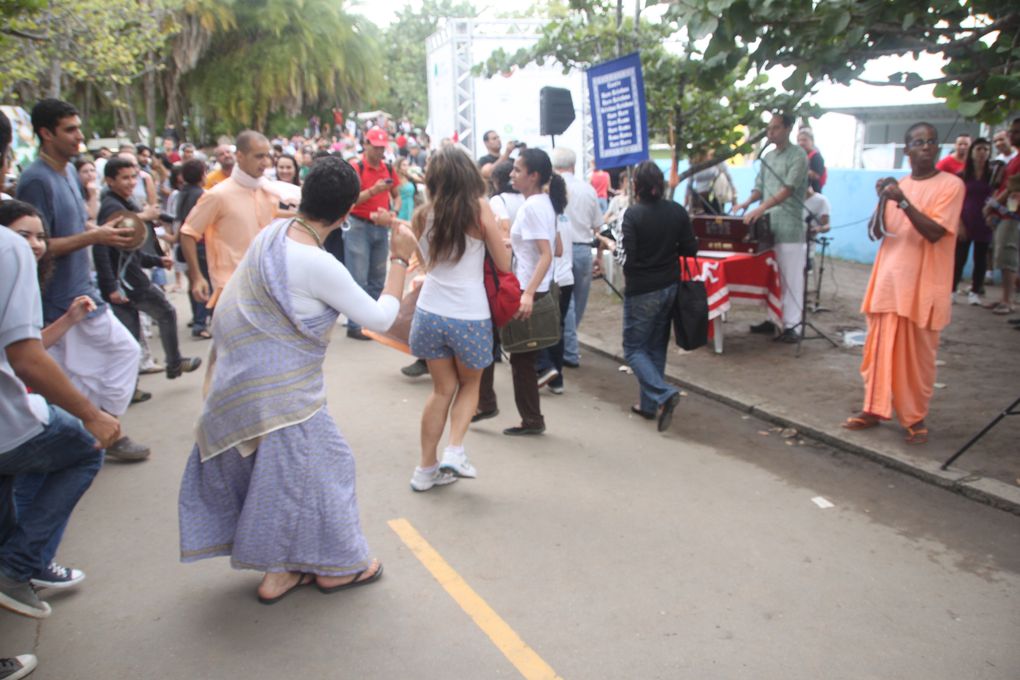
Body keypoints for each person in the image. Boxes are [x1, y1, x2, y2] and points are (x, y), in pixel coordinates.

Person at [178, 157, 418, 603]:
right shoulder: (317, 263)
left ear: (303, 195)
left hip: (237, 387)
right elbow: (380, 317)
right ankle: (336, 568)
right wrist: (401, 257)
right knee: (327, 467)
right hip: (281, 396)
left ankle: (286, 570)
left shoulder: (272, 234)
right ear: (347, 213)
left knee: (291, 478)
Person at [15, 99, 149, 462]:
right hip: (56, 301)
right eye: (70, 130)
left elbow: (74, 228)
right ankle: (97, 434)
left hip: (82, 292)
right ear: (46, 134)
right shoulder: (34, 181)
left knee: (124, 352)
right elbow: (35, 245)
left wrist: (99, 230)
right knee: (69, 375)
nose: (79, 137)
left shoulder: (69, 172)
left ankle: (101, 428)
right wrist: (96, 237)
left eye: (78, 128)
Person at [0, 212, 115, 620]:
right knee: (84, 449)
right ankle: (19, 565)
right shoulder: (6, 250)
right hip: (11, 422)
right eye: (23, 235)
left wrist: (67, 320)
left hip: (14, 425)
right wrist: (91, 414)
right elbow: (25, 358)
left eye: (39, 236)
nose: (32, 244)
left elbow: (22, 345)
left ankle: (24, 564)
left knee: (23, 476)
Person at [386, 147, 512, 490]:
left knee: (441, 390)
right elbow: (503, 265)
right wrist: (504, 242)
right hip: (469, 315)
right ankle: (455, 450)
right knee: (470, 384)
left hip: (430, 312)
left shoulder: (423, 216)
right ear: (468, 175)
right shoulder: (479, 209)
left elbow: (426, 264)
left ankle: (425, 470)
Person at [843, 122, 965, 445]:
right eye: (918, 142)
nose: (926, 146)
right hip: (888, 283)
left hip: (923, 286)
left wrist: (905, 202)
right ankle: (874, 408)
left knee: (918, 359)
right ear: (907, 149)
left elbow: (936, 232)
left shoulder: (951, 185)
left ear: (938, 149)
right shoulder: (899, 185)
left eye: (931, 142)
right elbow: (875, 232)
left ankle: (914, 417)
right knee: (878, 353)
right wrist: (884, 199)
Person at [94, 158, 201, 379]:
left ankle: (130, 387)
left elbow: (128, 252)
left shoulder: (123, 203)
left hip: (127, 278)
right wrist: (111, 285)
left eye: (133, 177)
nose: (131, 182)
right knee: (166, 312)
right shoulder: (112, 208)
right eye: (125, 178)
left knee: (131, 338)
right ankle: (173, 363)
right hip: (126, 281)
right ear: (110, 181)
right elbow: (102, 249)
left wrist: (156, 261)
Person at [617, 161, 698, 432]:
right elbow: (690, 249)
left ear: (636, 186)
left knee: (633, 349)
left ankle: (663, 394)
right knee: (655, 347)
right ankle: (649, 405)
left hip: (642, 289)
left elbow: (627, 258)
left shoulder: (633, 215)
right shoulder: (676, 211)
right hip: (670, 286)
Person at [503, 148, 565, 436]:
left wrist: (527, 294)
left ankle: (531, 419)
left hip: (530, 290)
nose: (512, 174)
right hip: (534, 287)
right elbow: (556, 248)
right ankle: (530, 418)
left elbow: (547, 255)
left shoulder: (533, 206)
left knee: (521, 360)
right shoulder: (544, 203)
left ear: (534, 175)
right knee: (521, 359)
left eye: (517, 170)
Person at [734, 113, 810, 343]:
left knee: (791, 278)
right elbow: (759, 188)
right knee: (771, 275)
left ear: (788, 128)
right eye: (769, 128)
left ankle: (792, 326)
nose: (771, 132)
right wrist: (747, 203)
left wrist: (761, 207)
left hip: (789, 226)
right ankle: (773, 319)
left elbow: (788, 188)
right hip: (767, 227)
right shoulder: (767, 157)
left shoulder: (798, 155)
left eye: (776, 128)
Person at [179, 131, 277, 310]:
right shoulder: (218, 195)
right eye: (259, 156)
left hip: (266, 283)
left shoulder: (269, 190)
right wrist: (197, 277)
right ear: (240, 156)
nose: (265, 162)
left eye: (267, 156)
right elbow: (187, 233)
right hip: (231, 288)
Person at [473, 160, 524, 421]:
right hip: (518, 277)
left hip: (500, 277)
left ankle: (486, 400)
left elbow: (502, 234)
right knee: (520, 345)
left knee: (491, 339)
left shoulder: (495, 202)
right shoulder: (530, 200)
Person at [342, 127, 401, 341]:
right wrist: (373, 191)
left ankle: (374, 322)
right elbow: (350, 199)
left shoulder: (388, 168)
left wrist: (393, 210)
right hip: (358, 224)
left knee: (377, 277)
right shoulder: (356, 167)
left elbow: (397, 195)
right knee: (358, 278)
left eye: (381, 147)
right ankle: (355, 324)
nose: (378, 151)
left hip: (381, 226)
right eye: (375, 147)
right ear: (366, 144)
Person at [549, 147, 600, 377]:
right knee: (577, 300)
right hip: (584, 248)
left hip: (563, 247)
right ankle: (569, 341)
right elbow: (597, 226)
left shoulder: (553, 189)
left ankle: (569, 347)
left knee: (566, 302)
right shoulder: (588, 189)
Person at [983, 118, 1020, 315]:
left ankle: (1009, 300)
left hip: (1013, 215)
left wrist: (993, 205)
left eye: (1016, 132)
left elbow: (1013, 188)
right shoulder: (1014, 159)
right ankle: (1005, 298)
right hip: (1005, 213)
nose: (1011, 135)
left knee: (1008, 256)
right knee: (1003, 256)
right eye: (1012, 131)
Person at [953, 138, 994, 305]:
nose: (982, 152)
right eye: (979, 149)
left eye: (985, 149)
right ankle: (952, 291)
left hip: (985, 222)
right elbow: (955, 202)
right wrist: (959, 224)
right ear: (972, 152)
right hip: (965, 221)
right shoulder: (962, 175)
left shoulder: (993, 175)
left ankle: (975, 292)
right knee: (959, 258)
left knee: (981, 259)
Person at [797, 127, 827, 193]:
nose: (801, 143)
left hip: (813, 193)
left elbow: (816, 175)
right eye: (799, 140)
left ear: (812, 141)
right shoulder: (799, 156)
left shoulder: (816, 156)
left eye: (804, 140)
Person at [73, 158, 99, 222]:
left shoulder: (97, 189)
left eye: (92, 170)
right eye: (85, 172)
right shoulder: (76, 193)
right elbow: (90, 216)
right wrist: (93, 195)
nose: (90, 174)